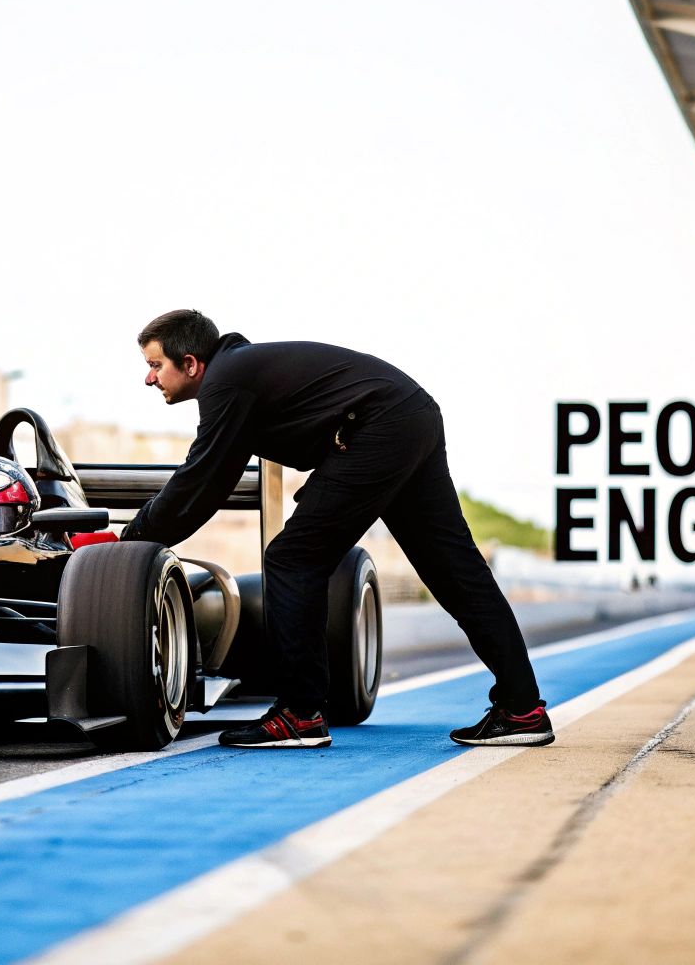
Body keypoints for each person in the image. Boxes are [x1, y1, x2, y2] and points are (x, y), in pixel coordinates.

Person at [122, 310, 551, 749]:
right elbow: (213, 478)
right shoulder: (240, 370)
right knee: (455, 569)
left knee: (292, 558)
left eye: (155, 365)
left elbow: (200, 481)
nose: (149, 379)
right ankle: (522, 708)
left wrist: (129, 544)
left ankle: (299, 714)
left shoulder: (226, 381)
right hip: (410, 413)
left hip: (380, 424)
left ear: (190, 363)